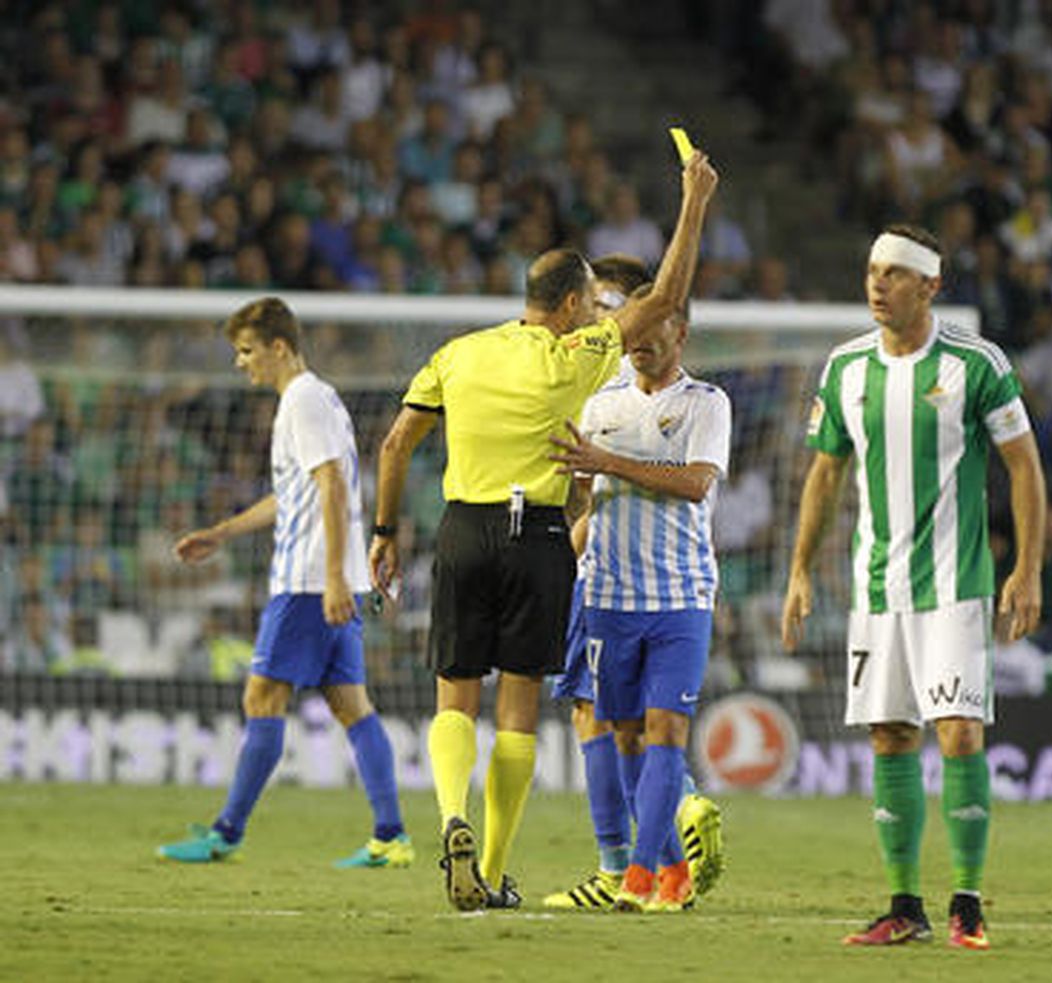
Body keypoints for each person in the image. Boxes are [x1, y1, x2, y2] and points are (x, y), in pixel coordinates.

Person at [369, 151, 718, 912]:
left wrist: (385, 530)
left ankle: (451, 819)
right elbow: (665, 297)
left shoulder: (458, 353)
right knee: (518, 708)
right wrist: (694, 203)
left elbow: (395, 445)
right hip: (538, 540)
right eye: (590, 304)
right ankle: (492, 871)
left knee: (454, 698)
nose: (597, 316)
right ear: (566, 305)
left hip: (463, 529)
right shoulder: (575, 355)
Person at [781, 223, 1047, 950]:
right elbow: (825, 473)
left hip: (955, 584)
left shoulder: (975, 363)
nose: (878, 283)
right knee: (891, 734)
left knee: (958, 730)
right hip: (876, 587)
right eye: (873, 269)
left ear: (930, 285)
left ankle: (967, 901)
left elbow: (1024, 465)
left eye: (894, 272)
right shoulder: (845, 368)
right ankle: (904, 905)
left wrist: (1027, 568)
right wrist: (800, 568)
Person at [158, 297, 411, 869]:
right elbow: (295, 493)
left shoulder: (303, 400)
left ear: (279, 347)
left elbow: (333, 487)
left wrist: (331, 579)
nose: (240, 362)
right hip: (332, 578)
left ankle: (226, 832)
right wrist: (221, 533)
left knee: (262, 697)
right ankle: (391, 835)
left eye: (247, 351)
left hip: (309, 582)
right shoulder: (317, 399)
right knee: (352, 705)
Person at [542, 256, 725, 910]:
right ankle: (668, 867)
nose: (639, 339)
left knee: (665, 729)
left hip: (680, 597)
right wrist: (575, 491)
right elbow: (584, 497)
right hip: (609, 598)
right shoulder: (599, 403)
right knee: (621, 731)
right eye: (633, 329)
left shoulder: (706, 403)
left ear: (681, 332)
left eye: (653, 327)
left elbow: (696, 483)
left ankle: (636, 874)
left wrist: (607, 462)